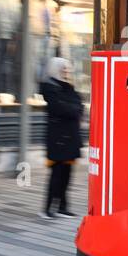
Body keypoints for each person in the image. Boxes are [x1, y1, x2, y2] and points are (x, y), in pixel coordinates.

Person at [40, 56, 83, 218]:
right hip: (58, 138)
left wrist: (73, 108)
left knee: (67, 173)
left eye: (67, 68)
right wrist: (73, 109)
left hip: (70, 137)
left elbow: (79, 105)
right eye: (62, 68)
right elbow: (60, 108)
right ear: (55, 70)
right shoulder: (50, 88)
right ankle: (47, 208)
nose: (66, 71)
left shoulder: (67, 87)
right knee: (56, 174)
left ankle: (62, 207)